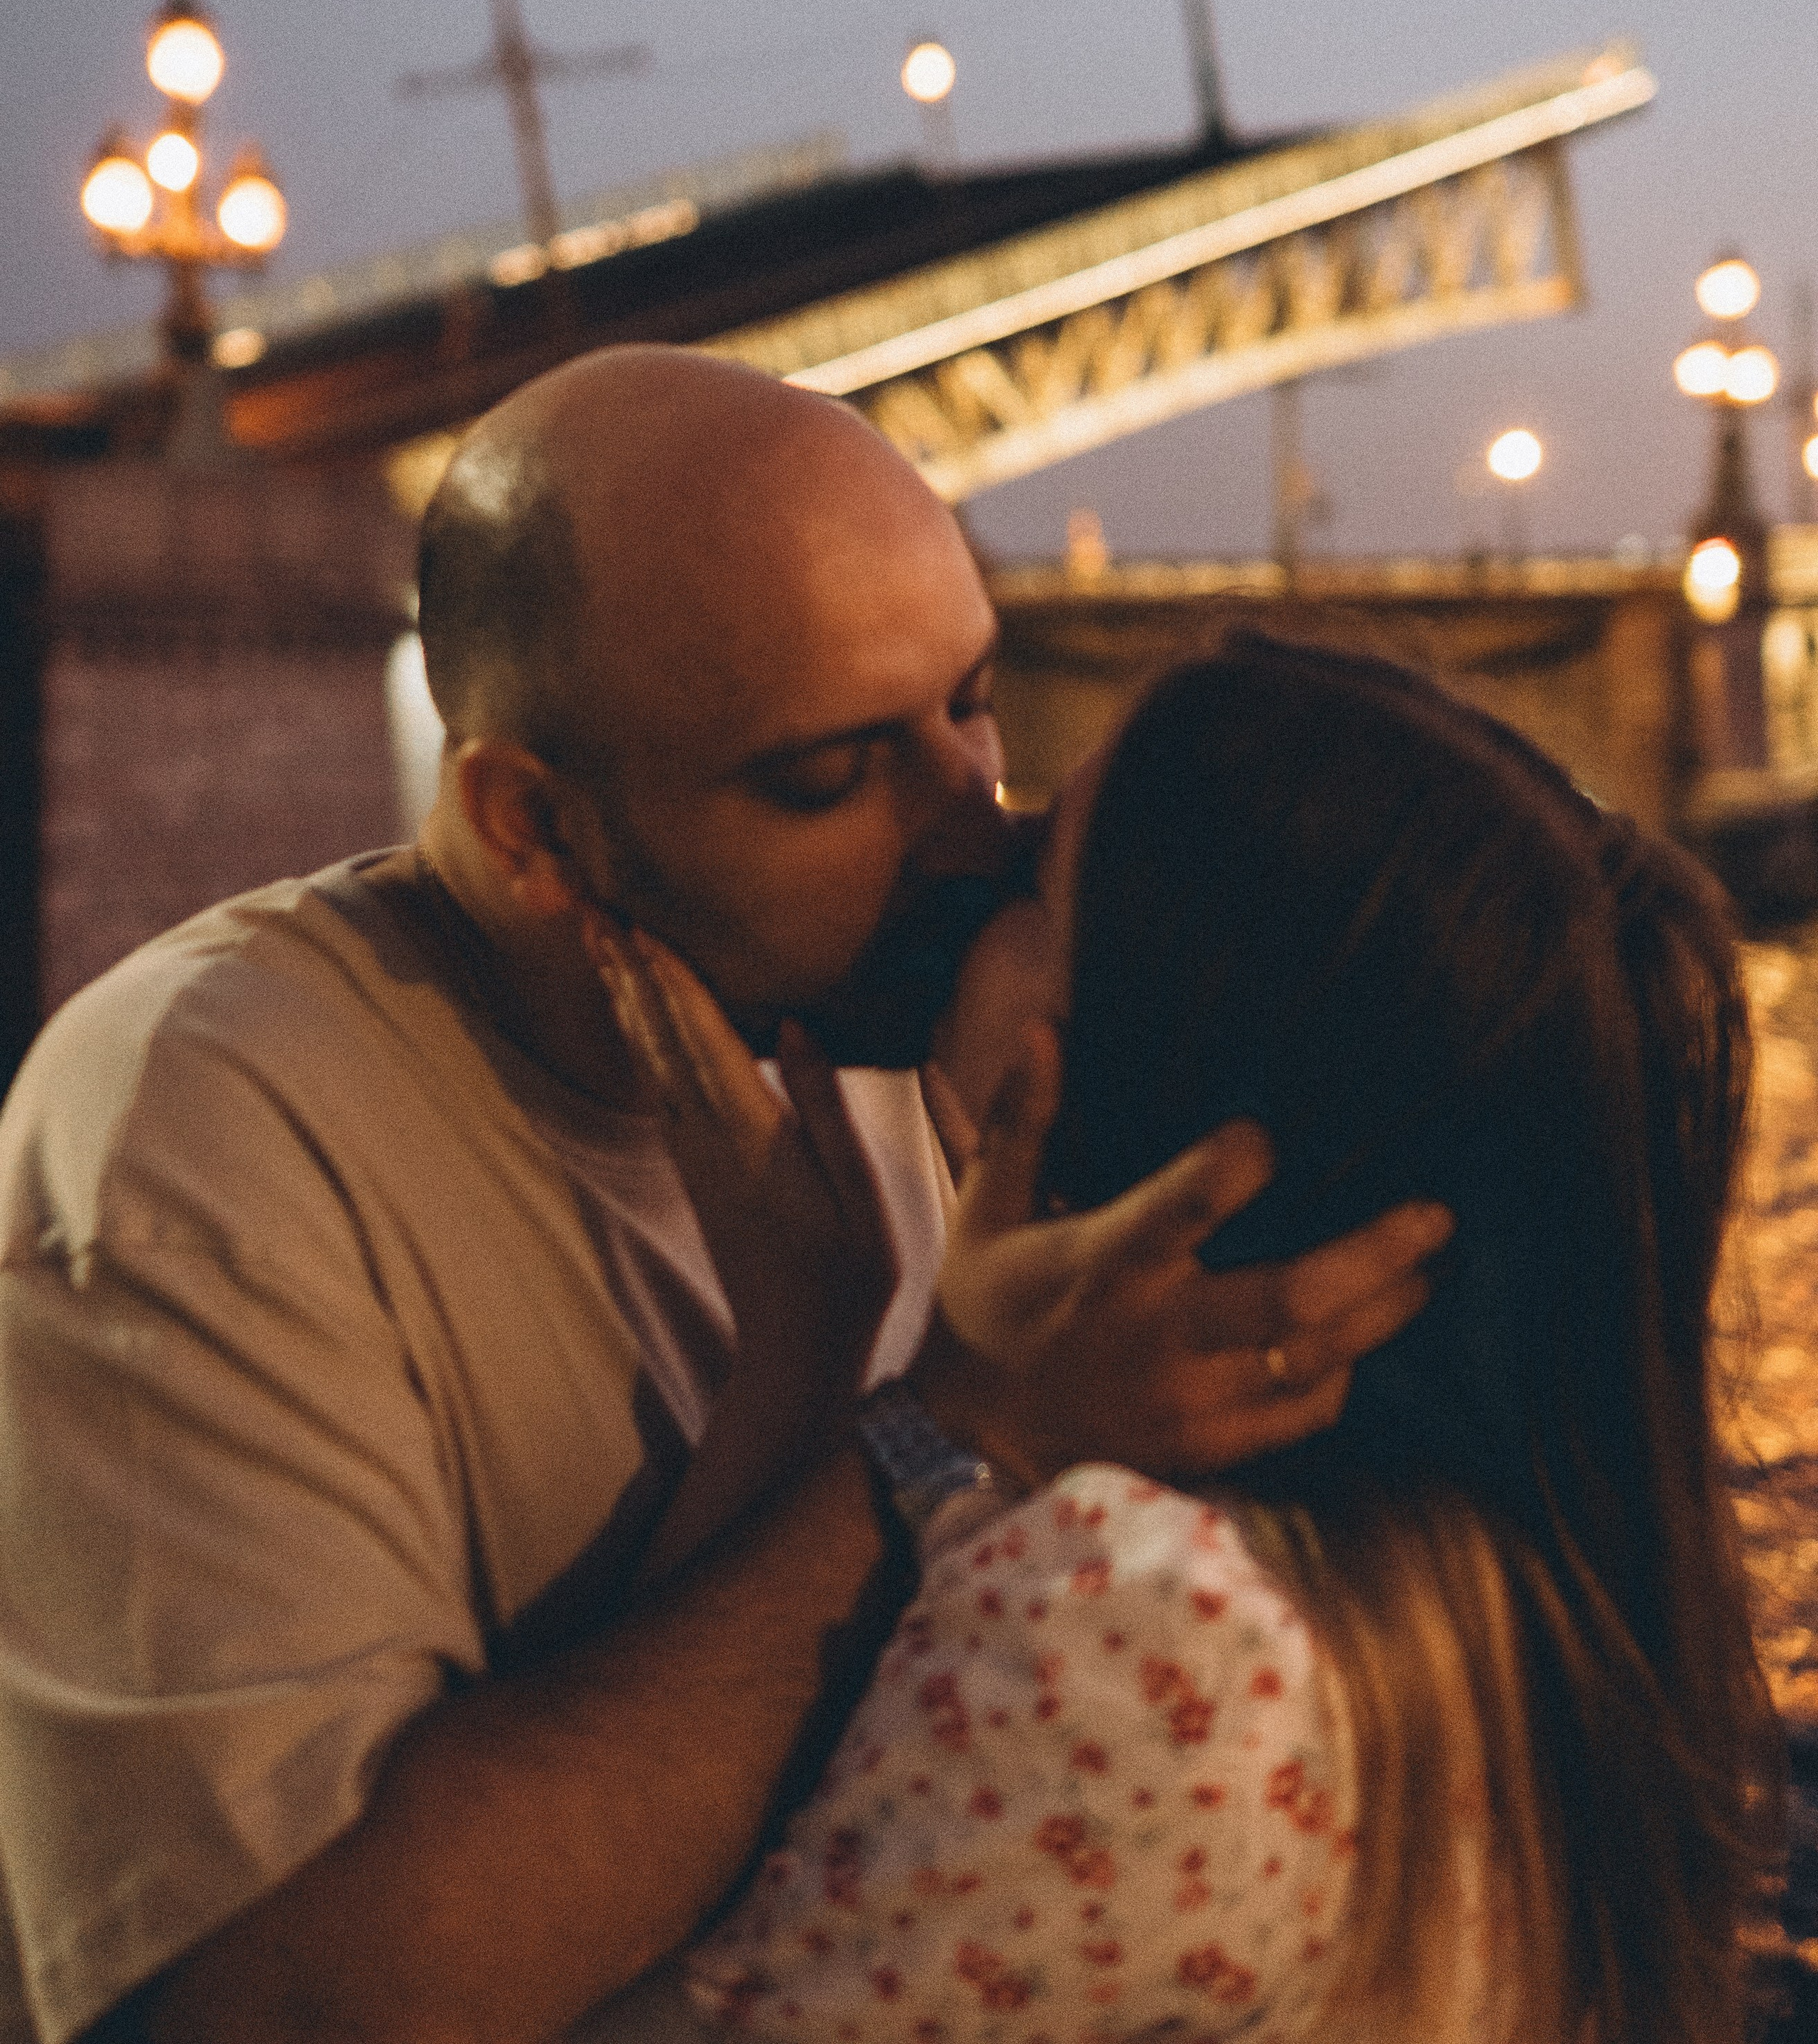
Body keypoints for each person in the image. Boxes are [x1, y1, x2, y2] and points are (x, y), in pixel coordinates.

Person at [0, 352, 1447, 2044]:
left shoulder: (904, 1013)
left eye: (971, 705)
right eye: (828, 779)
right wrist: (942, 1427)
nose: (967, 826)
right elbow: (272, 2011)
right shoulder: (207, 1125)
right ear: (531, 821)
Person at [609, 635, 1776, 2044]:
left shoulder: (1141, 1619)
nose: (973, 862)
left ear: (1150, 1048)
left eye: (1039, 880)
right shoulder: (1521, 1573)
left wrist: (912, 1411)